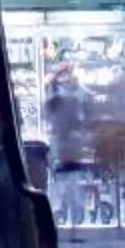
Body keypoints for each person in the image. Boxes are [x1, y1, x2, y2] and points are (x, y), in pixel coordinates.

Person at [43, 60, 94, 234]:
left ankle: (69, 225)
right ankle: (71, 226)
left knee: (66, 187)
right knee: (70, 187)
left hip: (65, 148)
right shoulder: (70, 98)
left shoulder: (62, 98)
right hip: (67, 148)